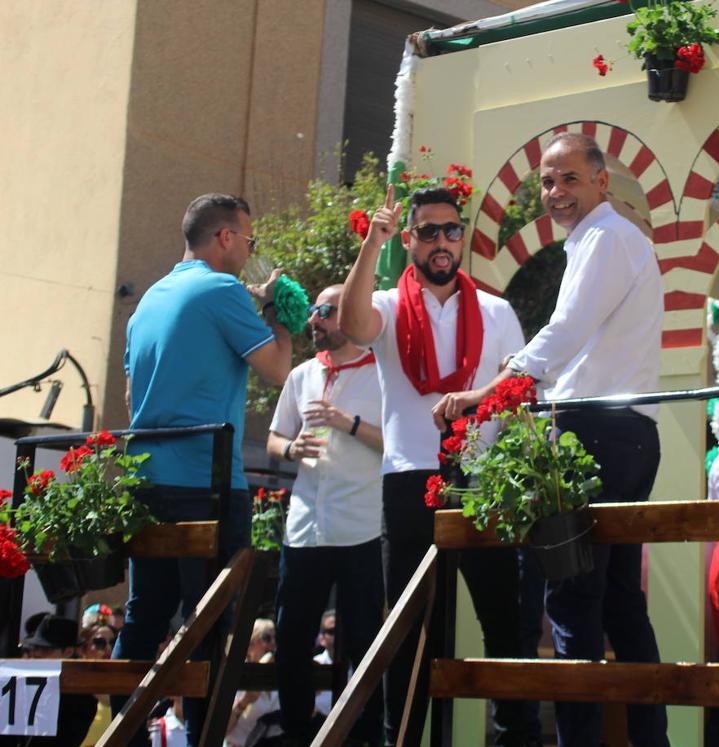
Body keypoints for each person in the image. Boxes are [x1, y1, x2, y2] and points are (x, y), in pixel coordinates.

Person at [431, 133, 669, 747]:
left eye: (568, 179)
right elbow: (571, 339)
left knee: (572, 598)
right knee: (616, 599)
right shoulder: (605, 239)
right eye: (546, 181)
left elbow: (565, 332)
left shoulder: (607, 238)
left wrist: (490, 391)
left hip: (595, 432)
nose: (555, 192)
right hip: (626, 431)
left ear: (601, 183)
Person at [339, 186, 528, 746]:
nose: (442, 242)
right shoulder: (389, 305)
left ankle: (515, 738)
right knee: (409, 627)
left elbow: (518, 389)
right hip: (411, 477)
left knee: (503, 623)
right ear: (409, 240)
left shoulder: (497, 310)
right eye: (428, 232)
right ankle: (404, 738)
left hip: (483, 478)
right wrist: (371, 244)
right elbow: (351, 326)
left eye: (451, 230)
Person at [115, 193, 293, 747]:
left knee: (145, 616)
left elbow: (129, 392)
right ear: (225, 238)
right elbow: (280, 369)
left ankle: (126, 733)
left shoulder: (150, 299)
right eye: (249, 240)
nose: (250, 250)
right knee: (213, 622)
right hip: (205, 483)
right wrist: (278, 312)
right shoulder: (220, 290)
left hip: (148, 481)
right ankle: (200, 738)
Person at [267, 284, 385, 743]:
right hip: (304, 531)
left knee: (362, 645)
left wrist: (348, 423)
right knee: (291, 642)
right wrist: (290, 447)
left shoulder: (383, 373)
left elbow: (398, 446)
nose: (315, 319)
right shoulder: (301, 375)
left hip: (361, 528)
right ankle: (299, 735)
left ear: (354, 316)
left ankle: (363, 737)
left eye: (326, 311)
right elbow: (276, 438)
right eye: (314, 311)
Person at [16, 615, 98, 747]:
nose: (37, 654)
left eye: (46, 649)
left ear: (68, 652)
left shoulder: (81, 700)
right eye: (35, 648)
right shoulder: (21, 683)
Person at [225, 620, 282, 747]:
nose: (273, 643)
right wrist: (244, 702)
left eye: (275, 638)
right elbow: (220, 730)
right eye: (266, 638)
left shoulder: (278, 678)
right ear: (250, 644)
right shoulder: (235, 675)